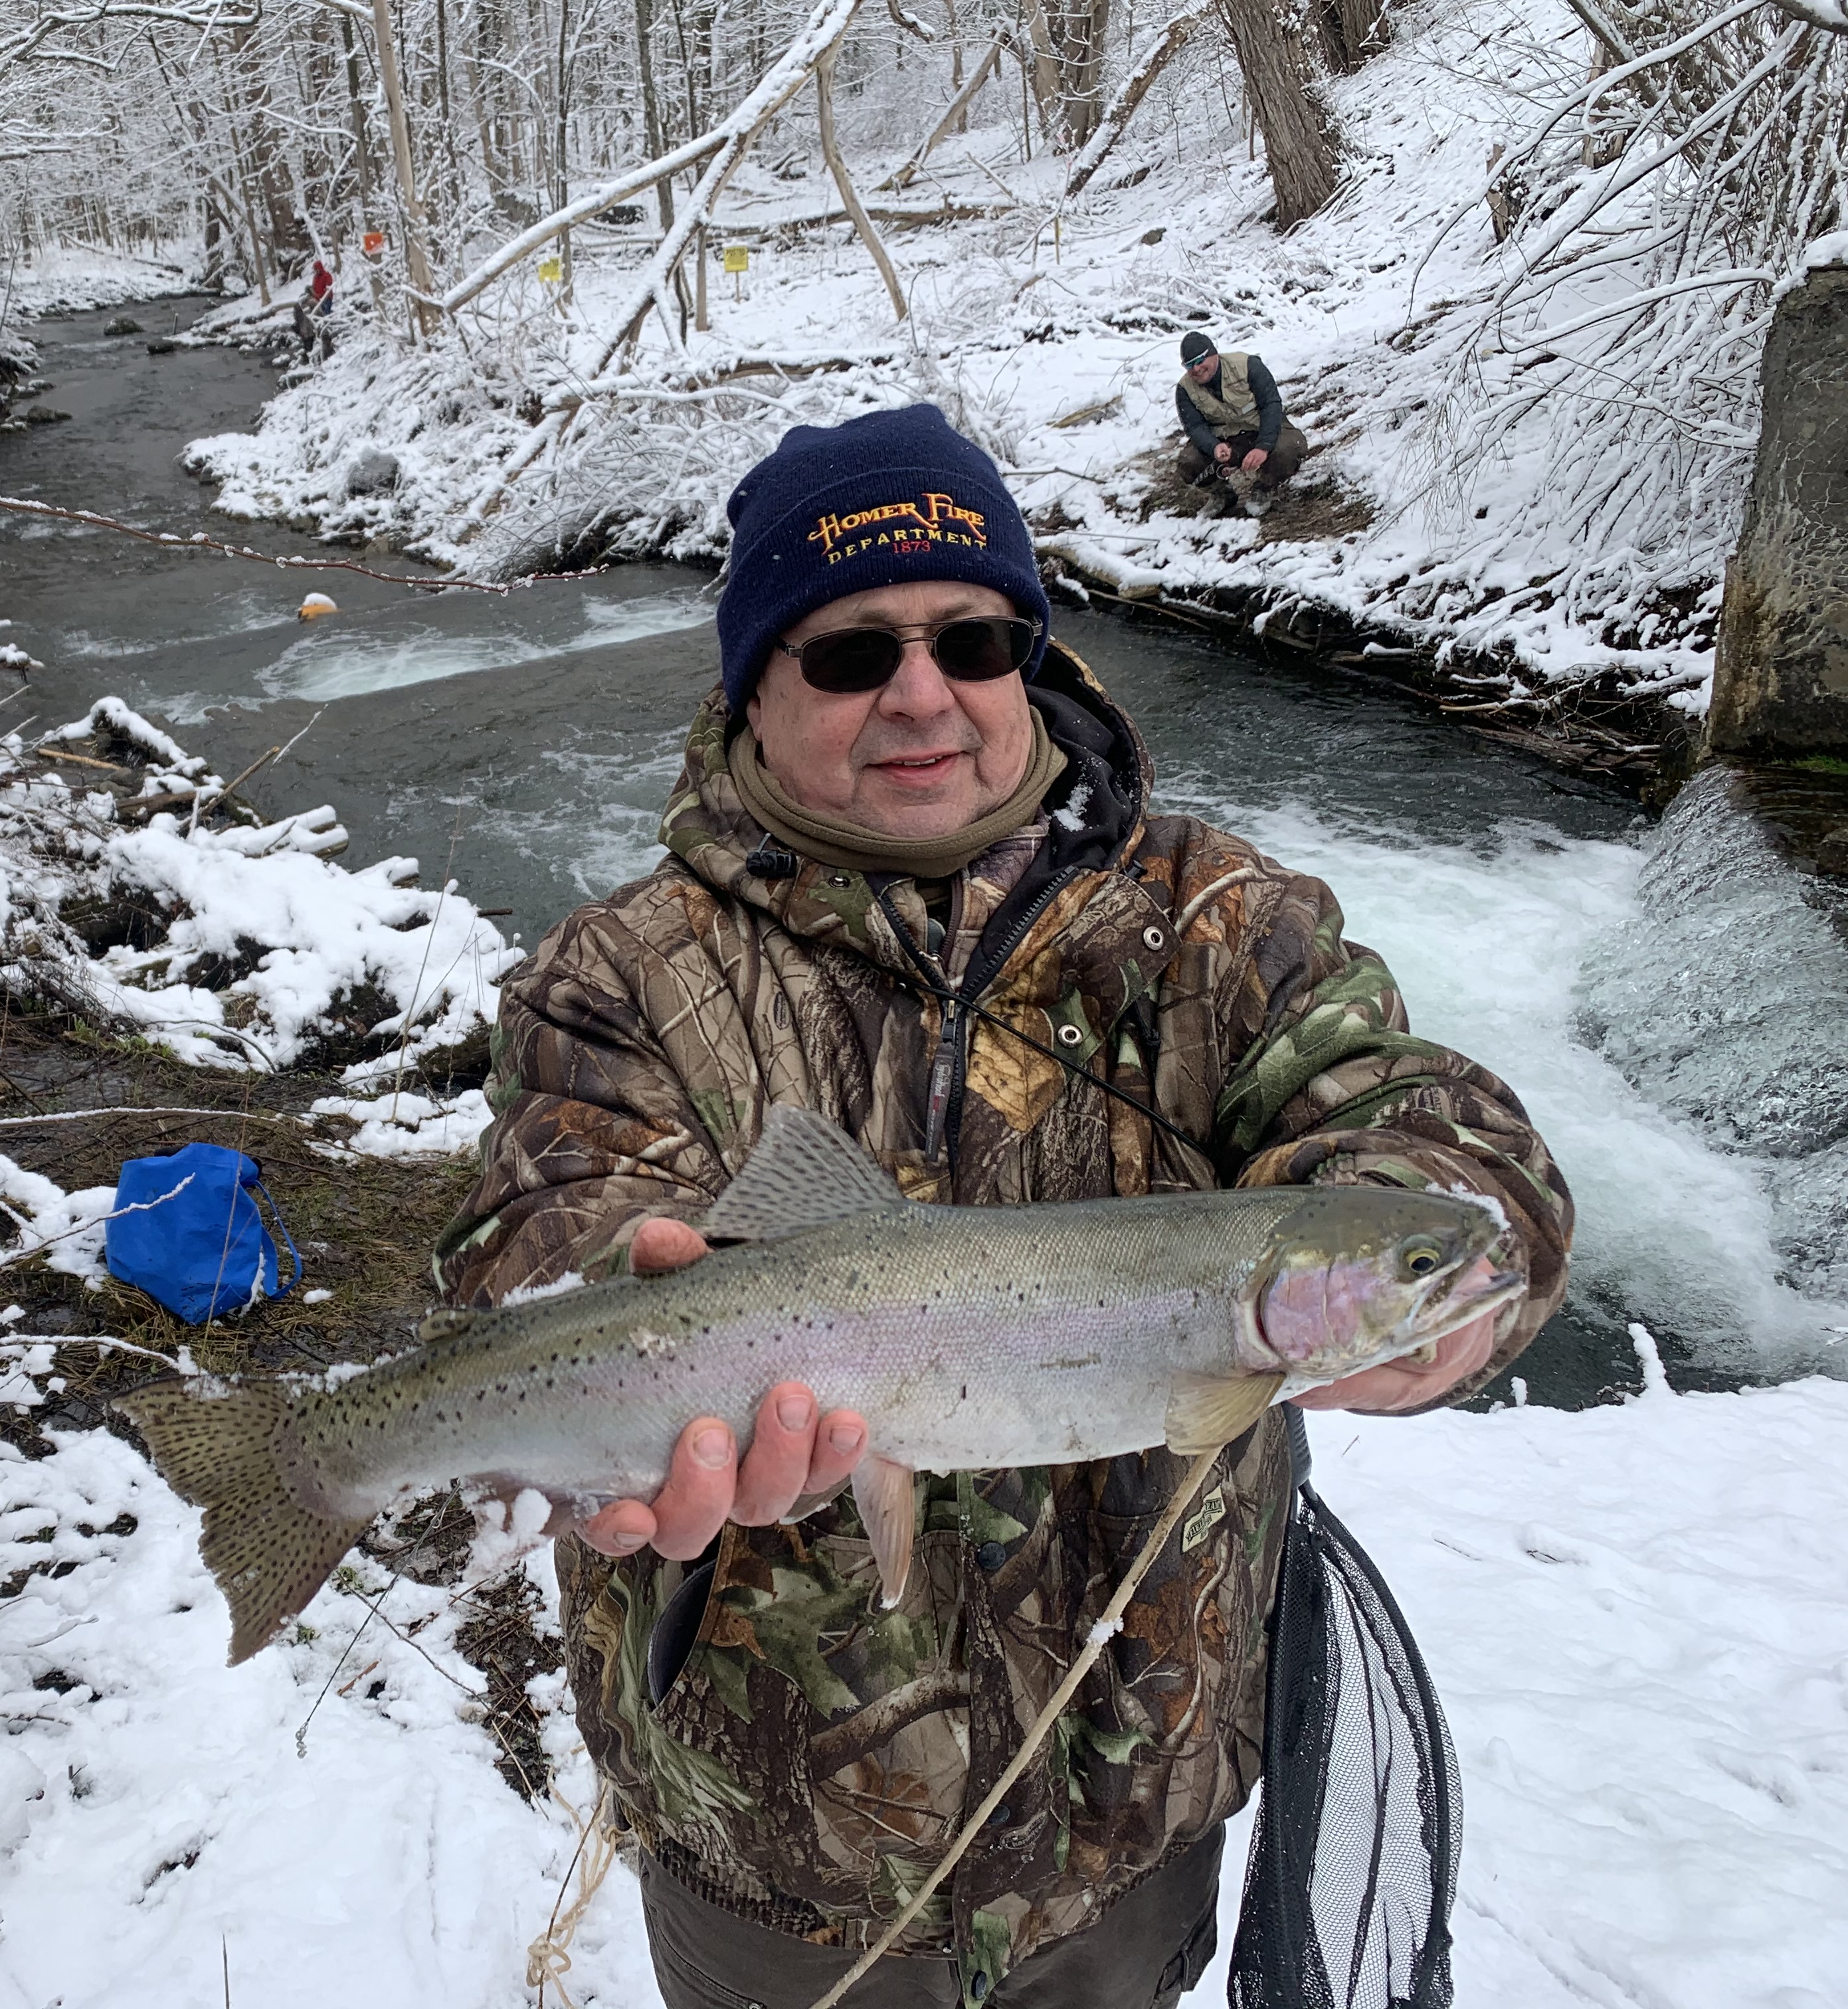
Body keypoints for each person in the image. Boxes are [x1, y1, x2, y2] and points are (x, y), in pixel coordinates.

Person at [434, 405, 1570, 2008]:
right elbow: (537, 1234)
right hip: (774, 1842)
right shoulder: (618, 974)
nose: (923, 693)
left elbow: (1432, 1129)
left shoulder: (1213, 920)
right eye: (848, 654)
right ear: (753, 682)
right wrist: (624, 1318)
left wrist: (1425, 1247)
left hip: (1130, 1808)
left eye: (973, 637)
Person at [1172, 332, 1305, 517]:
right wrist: (1214, 447)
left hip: (1260, 429)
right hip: (1225, 440)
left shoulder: (1248, 365)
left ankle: (1265, 488)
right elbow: (1194, 427)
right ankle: (1223, 494)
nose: (1196, 369)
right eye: (1189, 365)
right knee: (1189, 462)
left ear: (1214, 354)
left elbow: (1271, 404)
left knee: (1289, 449)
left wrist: (1263, 447)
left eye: (1200, 360)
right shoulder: (1184, 389)